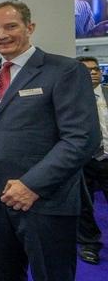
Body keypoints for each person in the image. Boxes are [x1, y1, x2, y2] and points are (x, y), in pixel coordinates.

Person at [0, 0, 100, 280]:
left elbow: (82, 138)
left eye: (11, 26)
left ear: (29, 27)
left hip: (44, 198)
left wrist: (32, 184)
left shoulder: (65, 70)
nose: (1, 35)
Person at [75, 56, 108, 265]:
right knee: (84, 206)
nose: (94, 72)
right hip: (83, 161)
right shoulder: (69, 99)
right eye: (87, 70)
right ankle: (89, 244)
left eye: (96, 69)